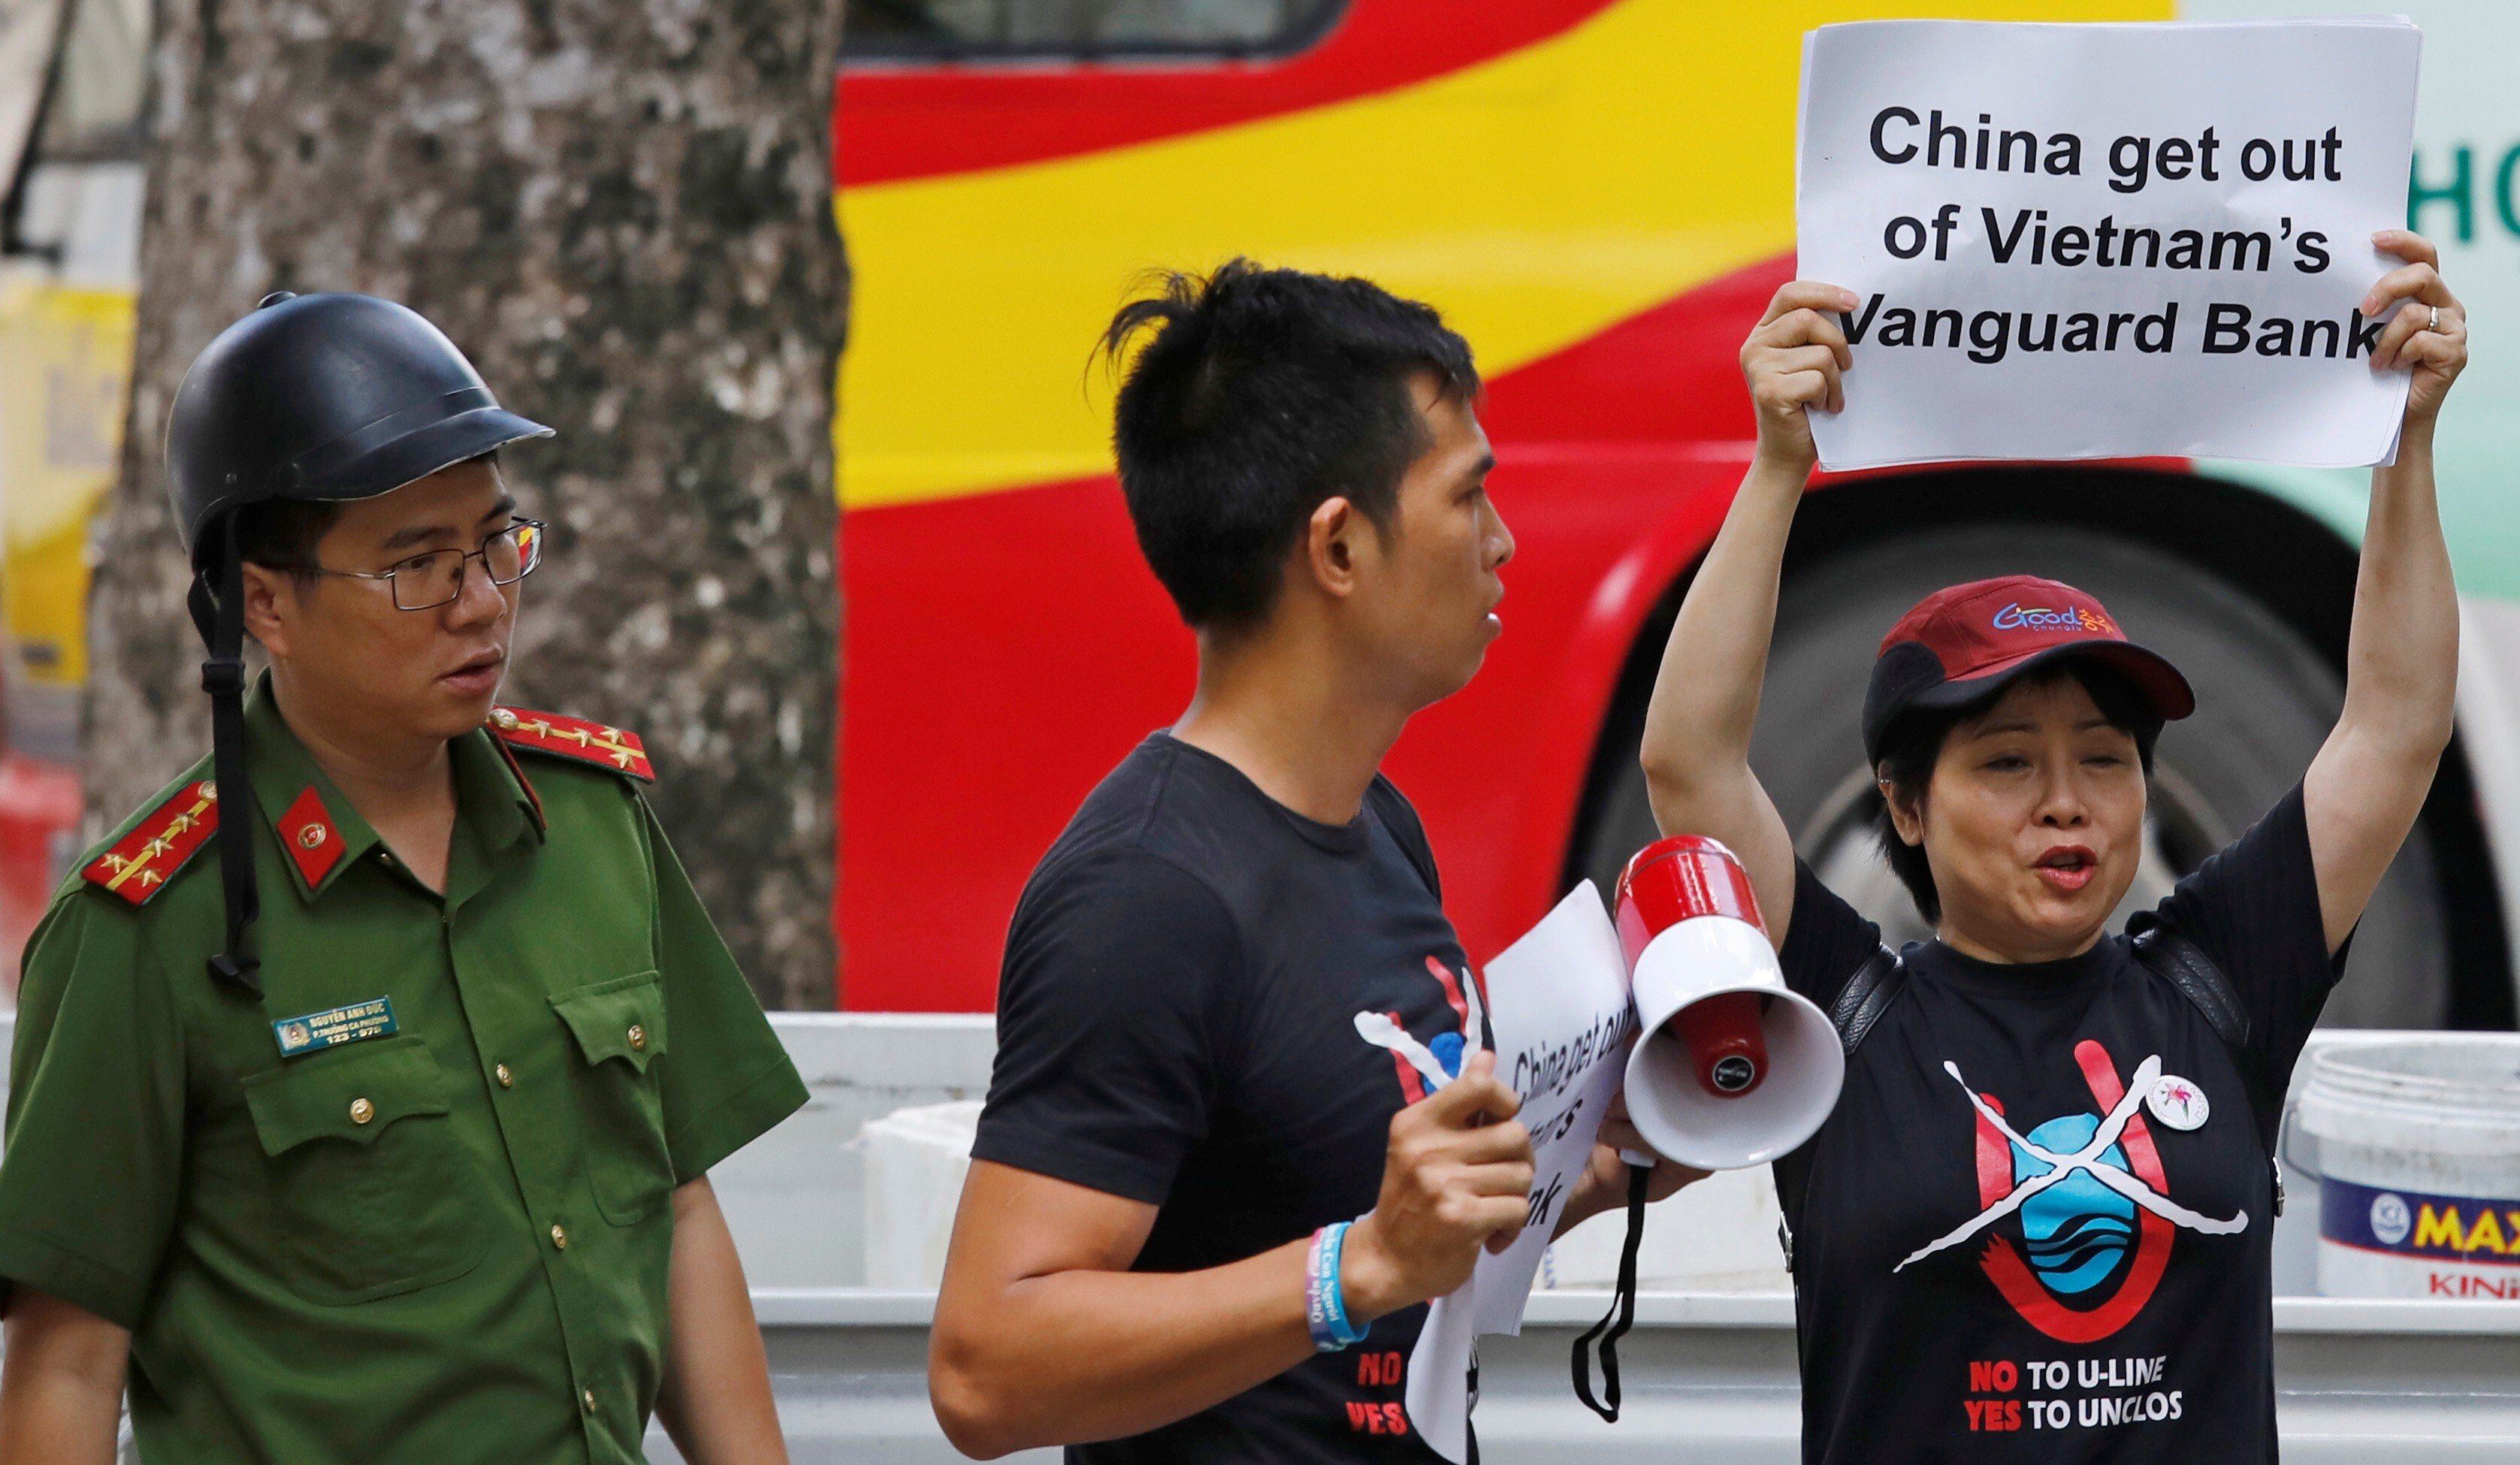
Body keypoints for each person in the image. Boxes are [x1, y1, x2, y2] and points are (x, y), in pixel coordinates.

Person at [1637, 230, 2465, 1463]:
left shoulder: (2221, 977)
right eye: (2007, 761)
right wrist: (1774, 469)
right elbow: (1688, 765)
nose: (2066, 801)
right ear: (1903, 807)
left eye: (2103, 756)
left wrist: (2404, 435)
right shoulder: (1840, 1014)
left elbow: (2393, 726)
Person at [0, 292, 809, 1465]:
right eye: (417, 567)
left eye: (496, 542)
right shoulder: (147, 927)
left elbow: (679, 1206)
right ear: (264, 601)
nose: (482, 600)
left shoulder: (591, 827)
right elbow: (69, 1360)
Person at [927, 261, 1701, 1462]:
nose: (1503, 542)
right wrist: (1364, 1265)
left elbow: (1369, 1217)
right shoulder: (1146, 894)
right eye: (1466, 497)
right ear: (1339, 547)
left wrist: (1603, 1157)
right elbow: (984, 1367)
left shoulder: (1377, 822)